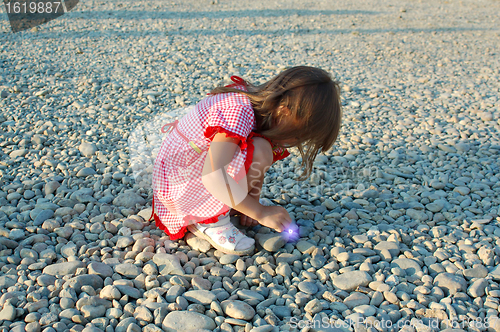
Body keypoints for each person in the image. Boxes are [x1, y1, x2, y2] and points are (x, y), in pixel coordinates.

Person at [150, 66, 342, 255]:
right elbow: (213, 175)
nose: (295, 143)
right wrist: (259, 211)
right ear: (283, 112)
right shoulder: (237, 112)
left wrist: (251, 202)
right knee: (260, 149)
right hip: (179, 191)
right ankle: (208, 221)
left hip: (189, 176)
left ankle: (228, 205)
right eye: (297, 137)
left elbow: (255, 162)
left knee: (261, 148)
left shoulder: (261, 106)